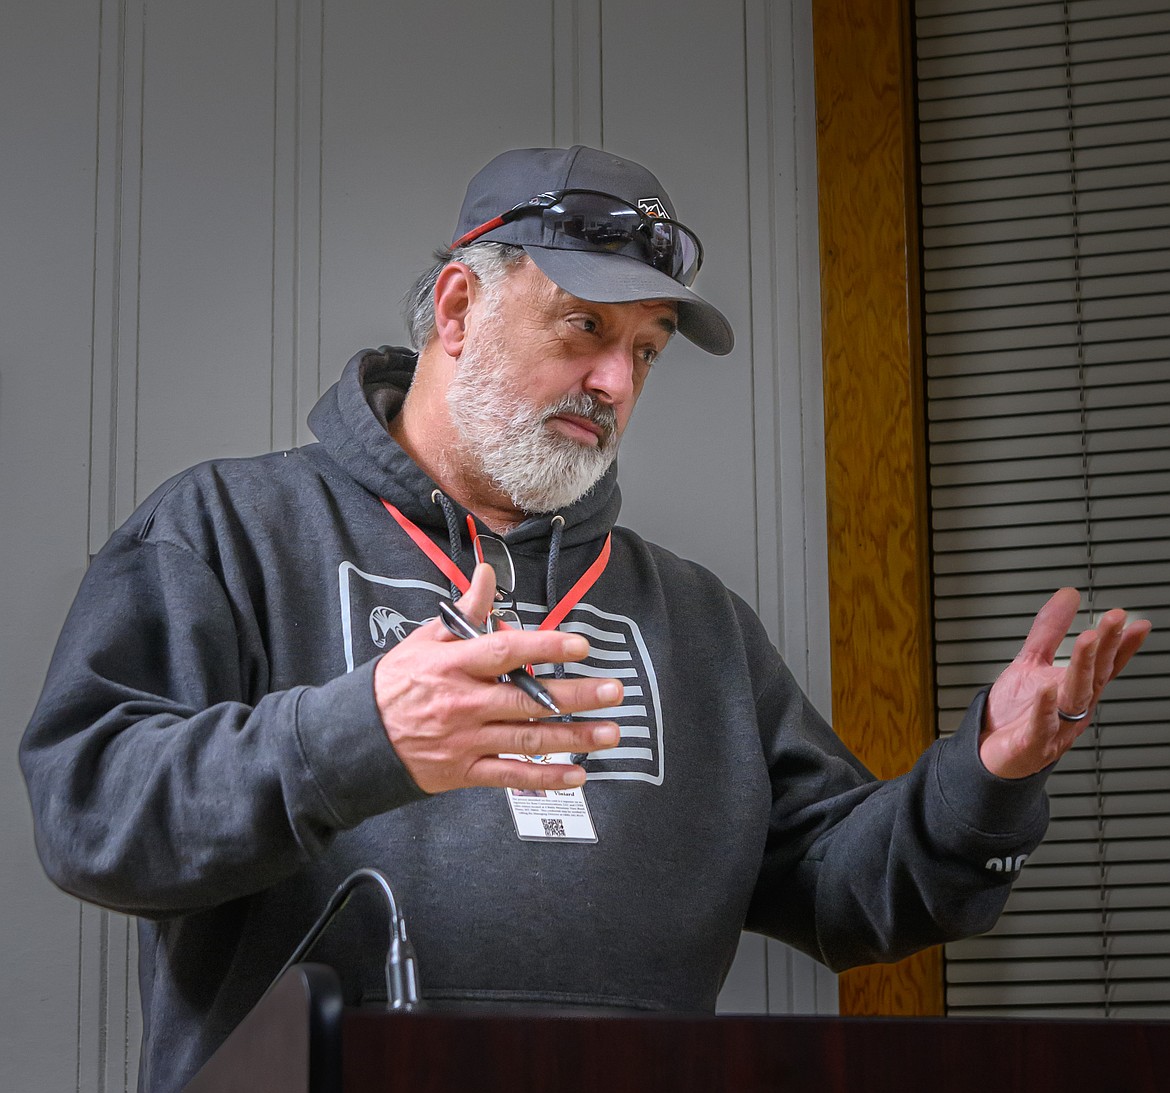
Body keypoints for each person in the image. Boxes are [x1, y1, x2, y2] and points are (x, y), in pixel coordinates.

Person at [20, 145, 1149, 1092]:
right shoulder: (229, 527)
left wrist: (987, 773)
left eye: (645, 350)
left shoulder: (698, 618)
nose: (615, 379)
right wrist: (357, 737)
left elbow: (847, 891)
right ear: (459, 308)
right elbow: (89, 808)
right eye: (582, 328)